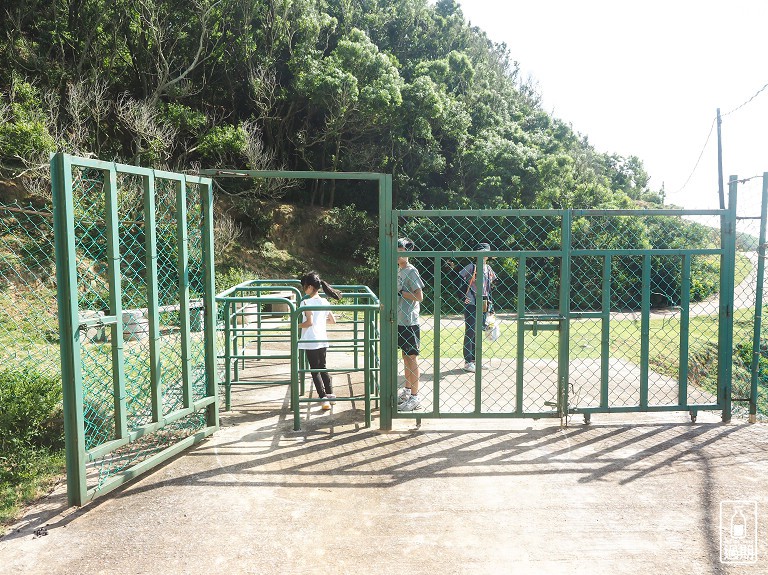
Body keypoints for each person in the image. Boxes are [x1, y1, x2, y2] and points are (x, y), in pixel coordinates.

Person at [298, 271, 342, 410]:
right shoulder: (324, 301)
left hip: (310, 339)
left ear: (310, 287)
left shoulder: (305, 302)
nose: (304, 289)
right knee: (322, 367)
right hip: (322, 338)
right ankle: (330, 395)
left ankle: (323, 398)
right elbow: (332, 320)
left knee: (314, 370)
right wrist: (320, 321)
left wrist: (296, 324)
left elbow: (309, 322)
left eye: (305, 286)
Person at [396, 238, 425, 411]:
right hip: (400, 318)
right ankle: (407, 391)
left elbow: (419, 296)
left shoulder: (411, 271)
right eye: (397, 250)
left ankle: (415, 397)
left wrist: (400, 292)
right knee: (405, 356)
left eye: (401, 251)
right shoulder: (398, 270)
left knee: (412, 357)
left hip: (410, 321)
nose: (398, 254)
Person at [459, 242, 496, 372]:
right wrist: (463, 296)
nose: (484, 255)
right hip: (472, 302)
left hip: (484, 303)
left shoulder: (488, 268)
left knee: (479, 331)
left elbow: (490, 287)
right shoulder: (472, 267)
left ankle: (476, 360)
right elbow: (458, 279)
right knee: (470, 330)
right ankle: (468, 361)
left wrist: (491, 303)